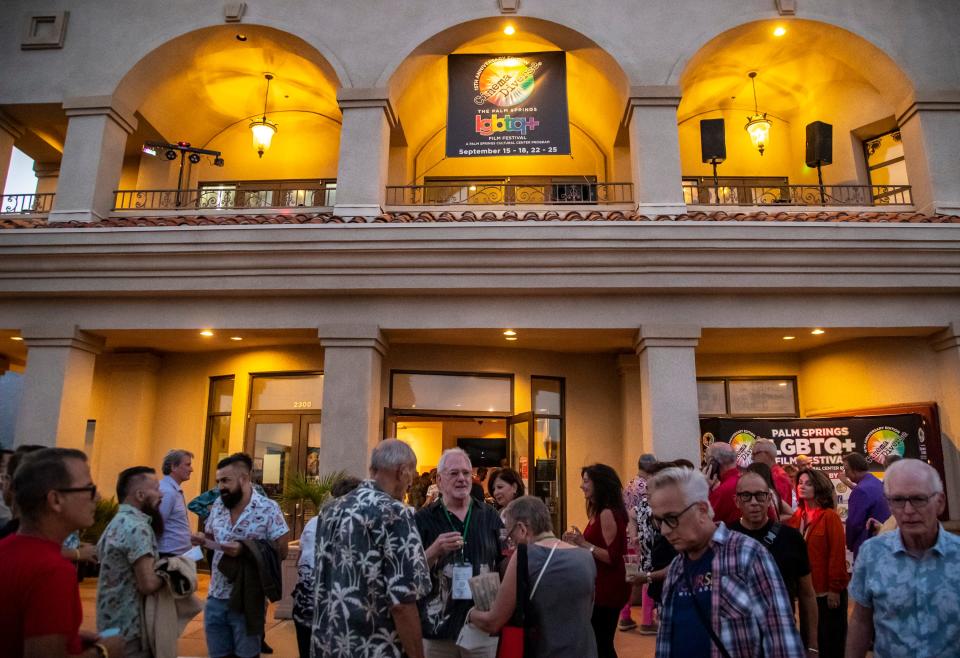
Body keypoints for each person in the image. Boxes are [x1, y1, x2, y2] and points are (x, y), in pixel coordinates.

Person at [649, 466, 805, 658]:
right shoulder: (676, 568)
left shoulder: (748, 555)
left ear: (702, 510)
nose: (664, 530)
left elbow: (781, 640)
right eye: (659, 521)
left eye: (671, 518)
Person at [0, 447, 125, 658]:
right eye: (88, 489)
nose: (97, 497)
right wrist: (103, 651)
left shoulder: (7, 548)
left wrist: (68, 637)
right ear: (55, 500)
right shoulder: (52, 571)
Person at [311, 441, 429, 658]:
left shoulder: (330, 510)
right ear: (402, 472)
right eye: (410, 476)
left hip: (328, 645)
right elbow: (402, 602)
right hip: (375, 648)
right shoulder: (394, 513)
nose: (410, 484)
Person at [847, 459, 960, 658]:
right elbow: (860, 621)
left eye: (918, 499)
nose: (908, 511)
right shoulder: (872, 554)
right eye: (898, 500)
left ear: (940, 502)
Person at [468, 496, 598, 657]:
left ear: (522, 529)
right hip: (585, 651)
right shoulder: (585, 557)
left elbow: (494, 621)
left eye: (510, 535)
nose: (510, 542)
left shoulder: (524, 556)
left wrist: (469, 614)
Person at [191, 453, 289, 658]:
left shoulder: (269, 509)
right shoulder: (218, 505)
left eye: (226, 480)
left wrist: (246, 549)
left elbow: (281, 551)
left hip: (248, 599)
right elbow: (211, 536)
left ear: (244, 478)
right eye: (218, 481)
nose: (220, 487)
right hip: (215, 597)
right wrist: (202, 538)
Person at [416, 447, 505, 658]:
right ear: (439, 480)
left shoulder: (489, 515)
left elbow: (503, 562)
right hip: (437, 628)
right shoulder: (423, 519)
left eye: (466, 473)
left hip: (481, 627)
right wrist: (433, 551)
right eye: (453, 473)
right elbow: (410, 571)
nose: (462, 479)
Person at [730, 469, 819, 655]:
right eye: (746, 496)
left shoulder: (791, 538)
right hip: (738, 639)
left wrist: (811, 644)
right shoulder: (725, 539)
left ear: (769, 498)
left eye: (760, 496)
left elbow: (807, 594)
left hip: (781, 635)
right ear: (736, 500)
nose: (754, 502)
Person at [96, 466, 166, 658]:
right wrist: (173, 571)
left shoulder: (116, 522)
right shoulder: (138, 528)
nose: (161, 494)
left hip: (109, 626)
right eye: (156, 488)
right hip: (131, 631)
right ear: (141, 494)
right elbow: (148, 584)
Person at [562, 464, 629, 658]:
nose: (582, 486)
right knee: (599, 639)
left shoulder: (608, 513)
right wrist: (579, 541)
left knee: (602, 641)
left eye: (585, 481)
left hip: (609, 587)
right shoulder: (598, 512)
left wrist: (583, 543)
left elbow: (612, 557)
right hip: (599, 584)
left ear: (599, 484)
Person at [293, 475, 361, 658]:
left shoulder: (313, 521)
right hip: (332, 609)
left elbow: (299, 560)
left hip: (304, 603)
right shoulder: (356, 525)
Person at [787, 468, 848, 658]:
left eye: (808, 483)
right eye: (800, 483)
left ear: (818, 487)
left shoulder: (829, 516)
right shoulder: (797, 517)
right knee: (810, 643)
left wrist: (835, 589)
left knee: (830, 642)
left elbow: (837, 553)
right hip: (807, 593)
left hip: (827, 592)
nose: (802, 486)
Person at [619, 453, 656, 632]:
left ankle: (625, 617)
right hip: (643, 537)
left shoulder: (629, 485)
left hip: (628, 535)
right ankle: (647, 620)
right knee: (647, 575)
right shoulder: (647, 487)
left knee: (631, 575)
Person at [842, 452, 890, 561]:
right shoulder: (876, 482)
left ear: (855, 469)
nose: (846, 474)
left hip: (867, 546)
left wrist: (850, 544)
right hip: (883, 542)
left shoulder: (861, 490)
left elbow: (854, 523)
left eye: (847, 470)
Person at [157, 449, 194, 557]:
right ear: (173, 467)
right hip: (169, 557)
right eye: (187, 465)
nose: (191, 469)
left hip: (178, 556)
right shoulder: (167, 492)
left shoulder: (172, 490)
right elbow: (157, 526)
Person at [705, 441, 741, 526]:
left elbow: (705, 522)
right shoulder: (747, 479)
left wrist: (705, 489)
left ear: (712, 463)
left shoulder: (722, 491)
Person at [752, 439, 794, 509]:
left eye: (755, 454)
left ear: (766, 454)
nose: (752, 458)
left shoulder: (777, 476)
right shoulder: (772, 474)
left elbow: (777, 509)